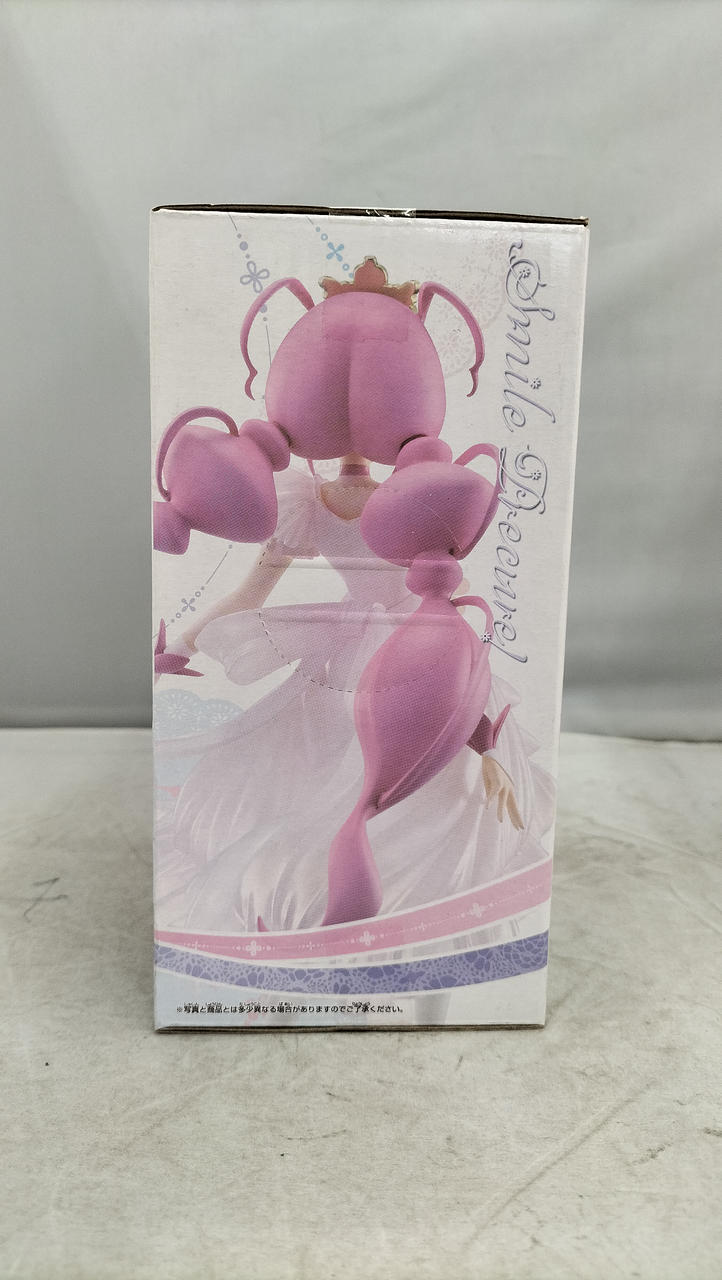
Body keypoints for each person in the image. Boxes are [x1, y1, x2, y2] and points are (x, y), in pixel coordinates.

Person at [154, 455, 554, 935]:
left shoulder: (309, 503)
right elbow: (449, 586)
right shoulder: (399, 498)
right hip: (400, 642)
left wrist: (178, 648)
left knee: (382, 757)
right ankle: (353, 884)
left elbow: (246, 597)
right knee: (376, 759)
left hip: (368, 649)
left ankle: (360, 882)